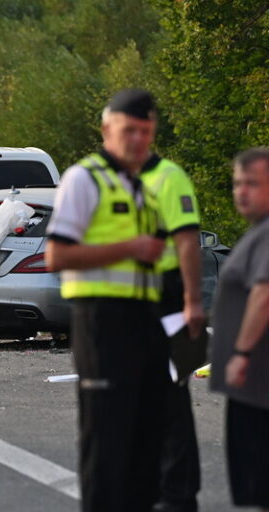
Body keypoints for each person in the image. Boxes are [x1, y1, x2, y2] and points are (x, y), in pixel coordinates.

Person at [45, 88, 168, 512]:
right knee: (106, 438)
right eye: (129, 130)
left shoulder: (142, 186)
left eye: (146, 133)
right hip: (101, 321)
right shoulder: (84, 179)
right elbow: (56, 255)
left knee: (146, 436)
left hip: (145, 321)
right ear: (106, 130)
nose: (137, 140)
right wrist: (130, 248)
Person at [138, 116, 205, 512]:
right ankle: (159, 487)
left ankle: (179, 494)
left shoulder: (169, 177)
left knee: (172, 399)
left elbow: (187, 241)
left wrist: (193, 302)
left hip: (171, 300)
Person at [210, 147, 269, 511]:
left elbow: (264, 294)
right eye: (237, 183)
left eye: (253, 183)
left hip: (258, 384)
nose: (241, 191)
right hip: (255, 385)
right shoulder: (257, 232)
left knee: (259, 483)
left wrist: (242, 353)